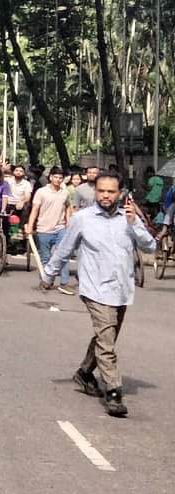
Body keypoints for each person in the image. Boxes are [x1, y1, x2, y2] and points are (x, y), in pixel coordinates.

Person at [40, 170, 155, 416]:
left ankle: (84, 373)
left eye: (110, 191)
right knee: (106, 340)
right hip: (94, 288)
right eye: (101, 191)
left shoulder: (129, 218)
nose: (105, 195)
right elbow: (64, 248)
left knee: (107, 336)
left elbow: (150, 246)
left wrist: (136, 224)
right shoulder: (83, 218)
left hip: (122, 289)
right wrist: (49, 275)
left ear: (120, 194)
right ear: (95, 192)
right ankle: (113, 391)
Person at [27, 165, 73, 293]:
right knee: (45, 258)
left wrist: (68, 223)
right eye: (56, 177)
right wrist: (30, 226)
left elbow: (68, 207)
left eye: (60, 178)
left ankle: (64, 283)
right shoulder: (41, 192)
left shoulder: (64, 193)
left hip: (60, 228)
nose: (58, 180)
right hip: (44, 229)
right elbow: (35, 209)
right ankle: (46, 281)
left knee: (63, 256)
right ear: (51, 178)